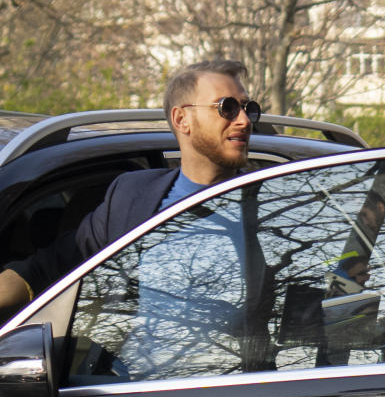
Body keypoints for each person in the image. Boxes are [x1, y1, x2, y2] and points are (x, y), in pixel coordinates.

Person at [0, 59, 260, 322]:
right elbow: (45, 269)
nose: (244, 121)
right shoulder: (130, 195)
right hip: (126, 362)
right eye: (227, 108)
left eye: (248, 109)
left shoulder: (273, 201)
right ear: (182, 119)